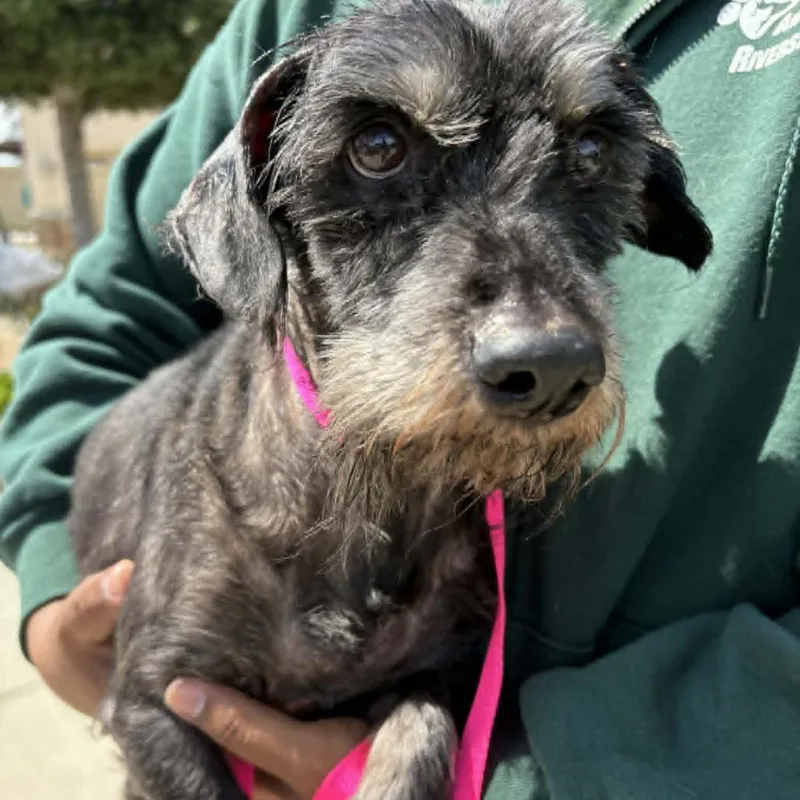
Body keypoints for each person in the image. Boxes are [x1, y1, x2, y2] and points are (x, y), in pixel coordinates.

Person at [2, 0, 799, 797]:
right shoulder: (292, 17)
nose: (541, 335)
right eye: (379, 149)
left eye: (588, 150)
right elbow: (106, 317)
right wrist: (46, 594)